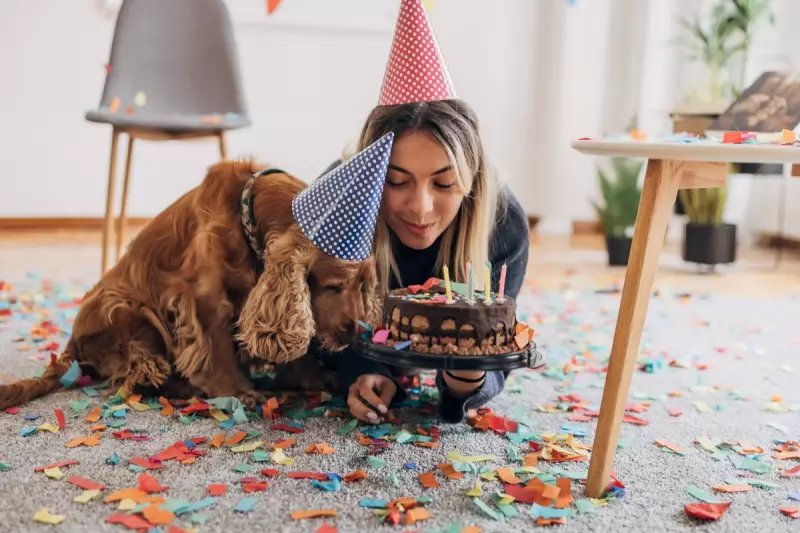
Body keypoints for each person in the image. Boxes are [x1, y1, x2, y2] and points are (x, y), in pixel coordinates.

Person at [330, 99, 531, 424]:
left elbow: (495, 337)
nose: (421, 207)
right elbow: (318, 320)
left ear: (471, 182)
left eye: (444, 183)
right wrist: (363, 368)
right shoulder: (336, 206)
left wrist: (467, 383)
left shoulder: (503, 223)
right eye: (396, 181)